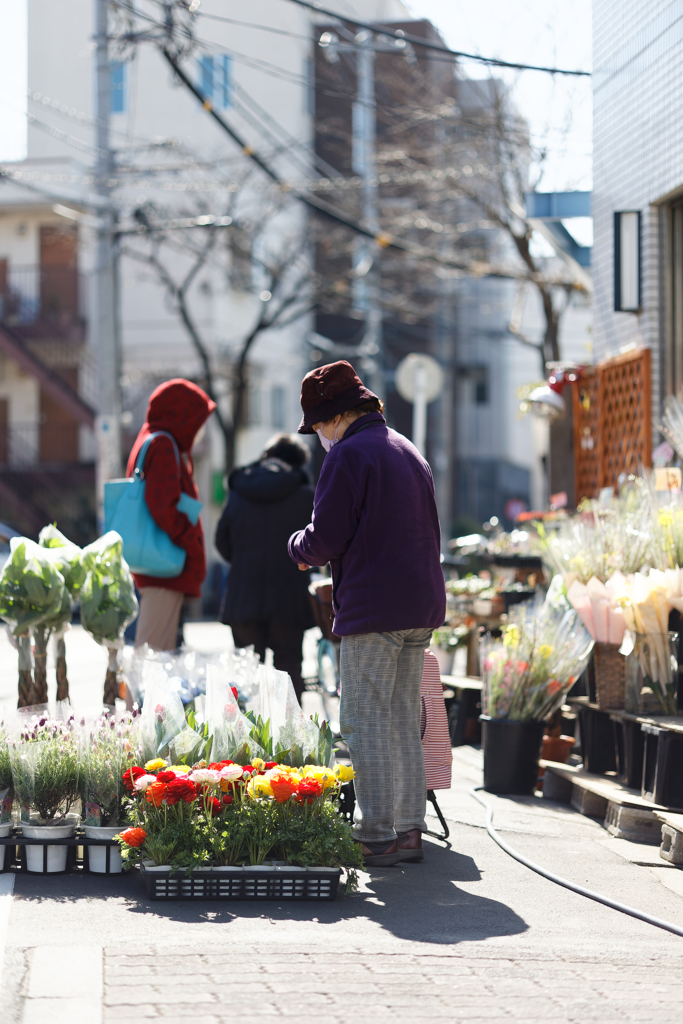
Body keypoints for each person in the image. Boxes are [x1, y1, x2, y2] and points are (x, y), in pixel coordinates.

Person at [288, 360, 446, 867]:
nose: (318, 437)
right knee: (401, 718)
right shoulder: (406, 449)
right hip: (420, 603)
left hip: (375, 608)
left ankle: (374, 833)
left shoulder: (349, 456)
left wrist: (296, 545)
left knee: (362, 721)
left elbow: (325, 538)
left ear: (334, 417)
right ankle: (409, 829)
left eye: (316, 427)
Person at [215, 433, 316, 702]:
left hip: (243, 597)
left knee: (246, 678)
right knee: (289, 676)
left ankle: (244, 742)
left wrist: (244, 562)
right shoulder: (305, 496)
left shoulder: (238, 492)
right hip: (289, 599)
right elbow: (317, 545)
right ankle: (292, 742)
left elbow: (221, 542)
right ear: (297, 464)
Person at [127, 378, 216, 651]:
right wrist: (189, 539)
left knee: (156, 653)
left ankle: (136, 696)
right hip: (163, 564)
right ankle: (133, 697)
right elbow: (163, 506)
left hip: (156, 562)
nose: (199, 429)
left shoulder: (151, 439)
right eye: (197, 420)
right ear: (182, 415)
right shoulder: (164, 444)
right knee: (152, 654)